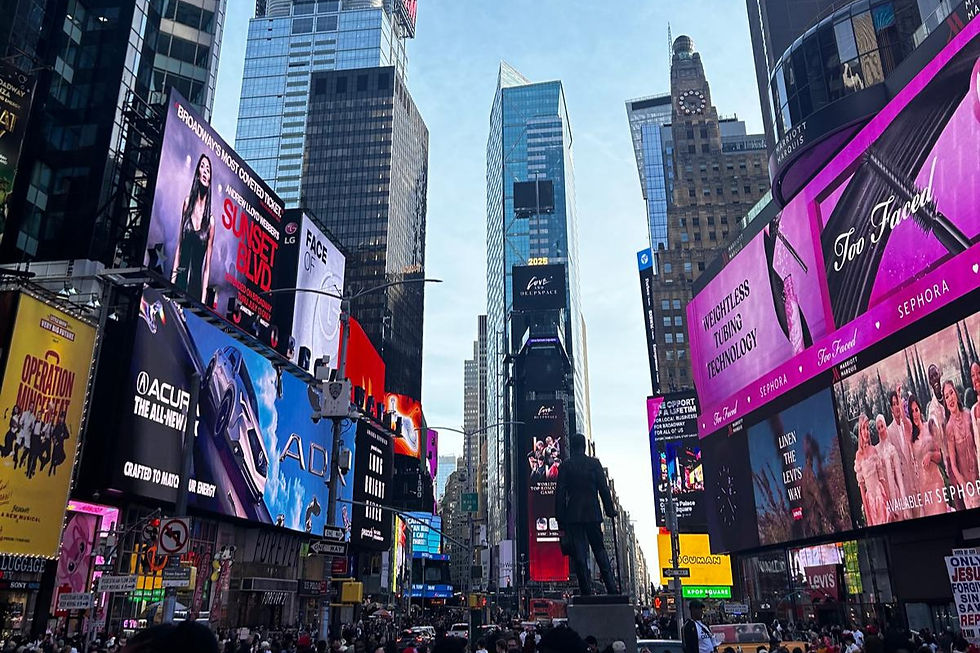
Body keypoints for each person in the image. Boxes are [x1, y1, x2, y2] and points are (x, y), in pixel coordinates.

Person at [555, 432, 619, 595]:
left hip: (574, 515)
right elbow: (604, 489)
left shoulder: (565, 466)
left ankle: (586, 591)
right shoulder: (594, 464)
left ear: (572, 447)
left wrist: (560, 518)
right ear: (584, 446)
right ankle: (612, 587)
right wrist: (610, 509)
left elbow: (560, 493)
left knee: (579, 554)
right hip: (592, 512)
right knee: (599, 549)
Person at [171, 153, 215, 303]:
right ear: (197, 173)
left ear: (210, 179)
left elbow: (207, 267)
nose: (204, 171)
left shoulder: (211, 222)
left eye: (208, 169)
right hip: (179, 282)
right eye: (202, 167)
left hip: (195, 289)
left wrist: (203, 301)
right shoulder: (187, 203)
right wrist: (171, 281)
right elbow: (179, 246)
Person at [909, 394, 949, 517]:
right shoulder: (911, 438)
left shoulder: (929, 427)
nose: (915, 414)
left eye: (916, 410)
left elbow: (939, 455)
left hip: (936, 482)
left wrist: (930, 455)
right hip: (923, 487)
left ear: (920, 410)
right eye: (912, 411)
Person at [944, 380, 980, 507]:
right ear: (946, 403)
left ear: (956, 394)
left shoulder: (968, 414)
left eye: (951, 393)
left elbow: (977, 447)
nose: (950, 398)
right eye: (946, 397)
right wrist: (966, 488)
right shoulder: (949, 428)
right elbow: (953, 465)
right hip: (968, 488)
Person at [854, 415, 888, 526]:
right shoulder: (858, 456)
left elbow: (882, 478)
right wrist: (868, 517)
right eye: (863, 428)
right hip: (870, 501)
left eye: (868, 428)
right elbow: (862, 489)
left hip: (880, 496)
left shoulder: (873, 450)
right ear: (860, 431)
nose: (866, 432)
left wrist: (889, 504)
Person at [876, 414, 909, 519]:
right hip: (884, 497)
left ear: (885, 426)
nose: (881, 430)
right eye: (879, 428)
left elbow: (899, 478)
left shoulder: (892, 449)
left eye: (882, 426)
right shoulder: (876, 450)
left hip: (895, 494)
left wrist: (905, 505)